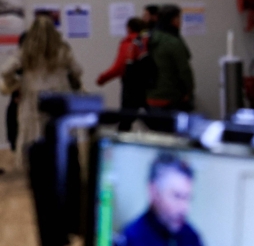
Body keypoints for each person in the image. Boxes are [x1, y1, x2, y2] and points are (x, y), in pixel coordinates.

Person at [109, 152, 209, 246]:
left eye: (188, 198)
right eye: (177, 196)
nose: (185, 208)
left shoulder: (192, 237)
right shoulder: (129, 239)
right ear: (153, 192)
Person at [0, 15, 82, 168]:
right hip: (60, 96)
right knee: (60, 131)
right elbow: (78, 70)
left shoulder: (25, 51)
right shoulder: (62, 50)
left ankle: (37, 167)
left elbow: (5, 71)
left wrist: (16, 84)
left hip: (33, 97)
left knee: (35, 132)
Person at [146, 4, 195, 111]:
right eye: (178, 18)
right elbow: (184, 71)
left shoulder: (148, 38)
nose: (180, 22)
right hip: (171, 97)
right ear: (172, 20)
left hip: (149, 96)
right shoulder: (173, 42)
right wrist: (189, 91)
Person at [96, 17, 150, 110]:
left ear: (129, 28)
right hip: (148, 84)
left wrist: (102, 78)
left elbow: (120, 66)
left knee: (126, 119)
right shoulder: (147, 41)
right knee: (153, 117)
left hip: (131, 85)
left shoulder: (128, 43)